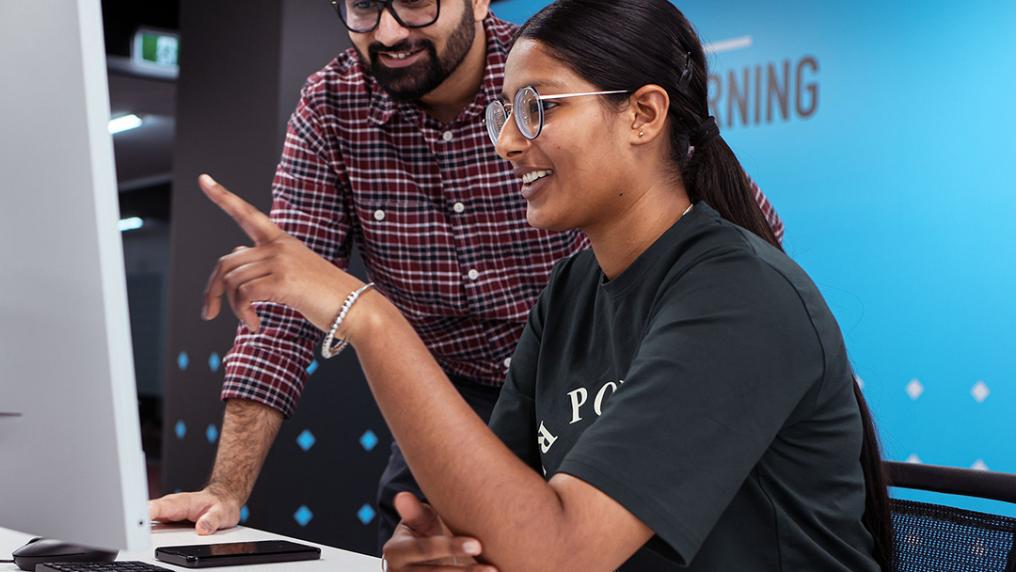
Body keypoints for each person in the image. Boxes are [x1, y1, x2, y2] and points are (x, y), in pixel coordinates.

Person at [192, 0, 893, 570]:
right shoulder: (571, 291)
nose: (504, 142)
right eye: (505, 113)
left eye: (539, 109)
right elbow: (493, 532)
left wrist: (366, 317)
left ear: (644, 115)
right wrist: (448, 551)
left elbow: (556, 554)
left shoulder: (739, 297)